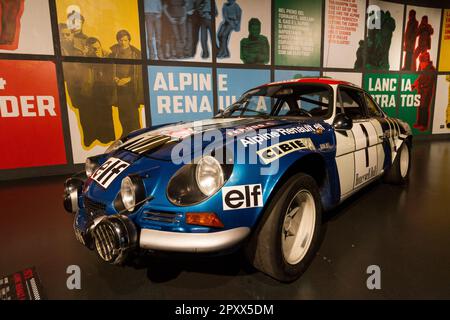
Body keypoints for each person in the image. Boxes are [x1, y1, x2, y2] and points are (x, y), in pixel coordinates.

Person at [109, 30, 144, 138]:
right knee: (122, 114)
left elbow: (141, 73)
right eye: (121, 40)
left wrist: (129, 79)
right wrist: (114, 78)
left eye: (125, 40)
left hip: (132, 89)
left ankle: (137, 136)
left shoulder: (136, 54)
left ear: (129, 40)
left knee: (133, 115)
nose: (123, 42)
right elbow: (108, 70)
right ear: (117, 41)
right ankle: (126, 134)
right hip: (119, 90)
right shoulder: (113, 54)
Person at [411, 51, 436, 131]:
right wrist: (414, 84)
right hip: (422, 92)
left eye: (421, 63)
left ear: (426, 61)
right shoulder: (425, 69)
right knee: (420, 107)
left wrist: (419, 86)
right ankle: (419, 123)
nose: (420, 65)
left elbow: (428, 82)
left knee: (424, 108)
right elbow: (420, 78)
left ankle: (424, 125)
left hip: (427, 93)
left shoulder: (431, 70)